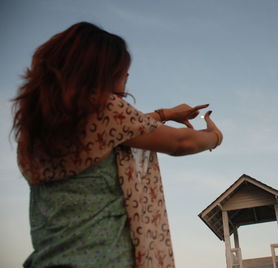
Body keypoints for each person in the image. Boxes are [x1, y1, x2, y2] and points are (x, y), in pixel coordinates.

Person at [11, 22, 223, 268]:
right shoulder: (103, 110)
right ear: (100, 71)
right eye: (122, 71)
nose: (126, 78)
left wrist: (164, 113)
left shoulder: (32, 131)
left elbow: (112, 132)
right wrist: (214, 137)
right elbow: (181, 142)